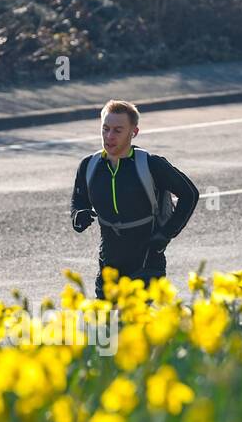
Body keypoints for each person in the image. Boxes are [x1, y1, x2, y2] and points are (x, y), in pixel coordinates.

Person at [70, 100, 199, 300]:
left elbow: (190, 194)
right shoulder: (90, 165)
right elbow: (79, 201)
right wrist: (79, 215)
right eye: (105, 129)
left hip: (147, 264)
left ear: (134, 132)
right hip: (109, 266)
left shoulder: (151, 164)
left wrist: (166, 234)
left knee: (139, 329)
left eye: (118, 130)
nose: (109, 136)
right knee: (105, 329)